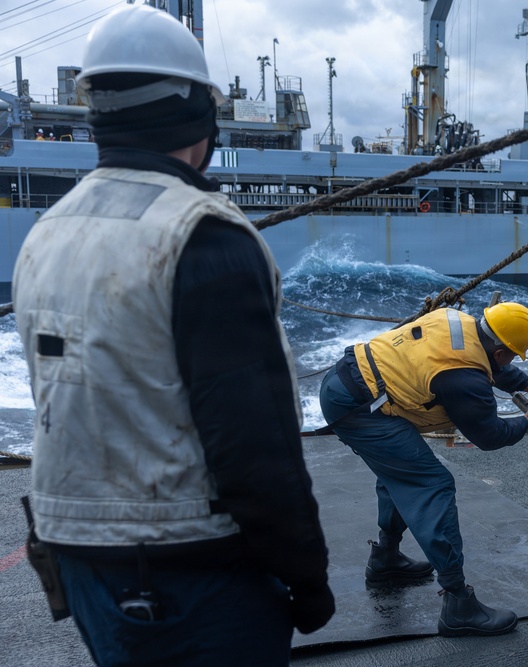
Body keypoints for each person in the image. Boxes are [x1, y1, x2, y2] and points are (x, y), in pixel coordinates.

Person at [11, 6, 334, 665]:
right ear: (198, 114)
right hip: (189, 570)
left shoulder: (46, 232)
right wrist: (307, 575)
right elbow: (253, 442)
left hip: (78, 555)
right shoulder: (201, 233)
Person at [318, 302, 528, 637]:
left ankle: (386, 559)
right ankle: (458, 603)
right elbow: (489, 436)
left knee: (400, 471)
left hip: (348, 381)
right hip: (359, 406)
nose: (508, 360)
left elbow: (490, 363)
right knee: (432, 482)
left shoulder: (462, 324)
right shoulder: (463, 377)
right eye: (511, 355)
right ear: (503, 350)